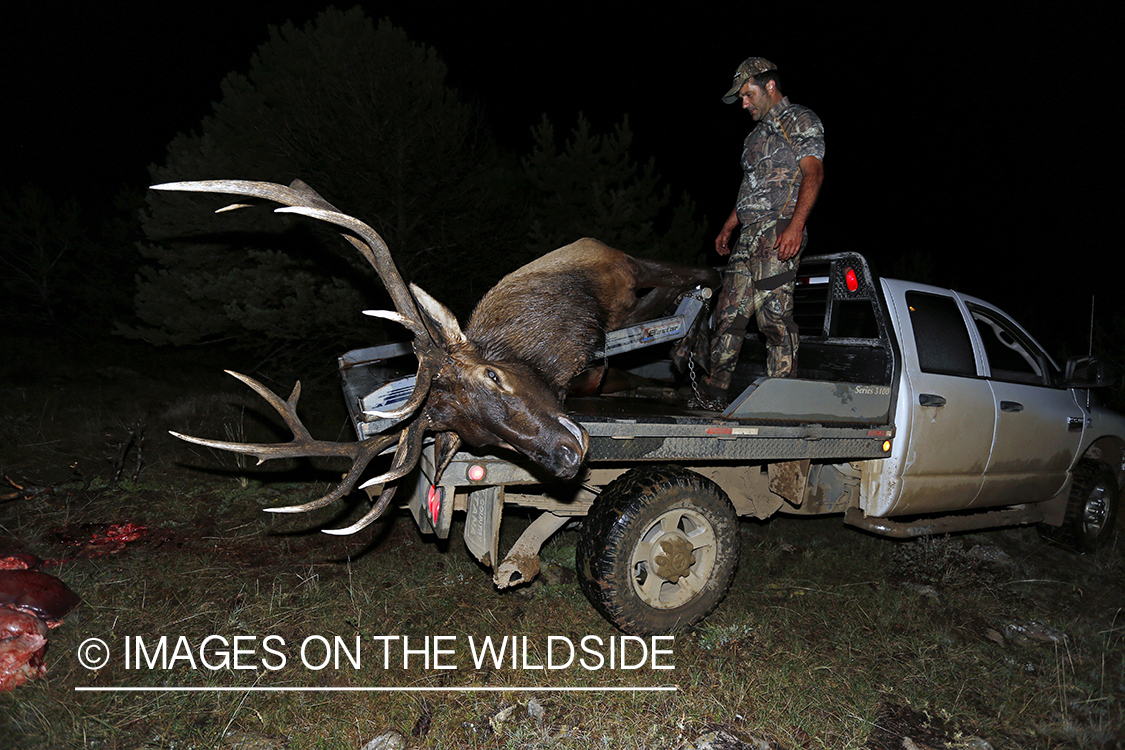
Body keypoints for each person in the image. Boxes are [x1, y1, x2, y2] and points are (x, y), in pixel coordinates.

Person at [703, 57, 824, 400]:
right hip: (748, 235)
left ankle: (780, 402)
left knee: (774, 321)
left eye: (747, 94)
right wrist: (729, 225)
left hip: (778, 230)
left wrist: (796, 226)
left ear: (769, 85)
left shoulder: (799, 118)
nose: (743, 103)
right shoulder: (753, 138)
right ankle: (712, 396)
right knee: (727, 317)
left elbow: (813, 173)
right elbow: (751, 187)